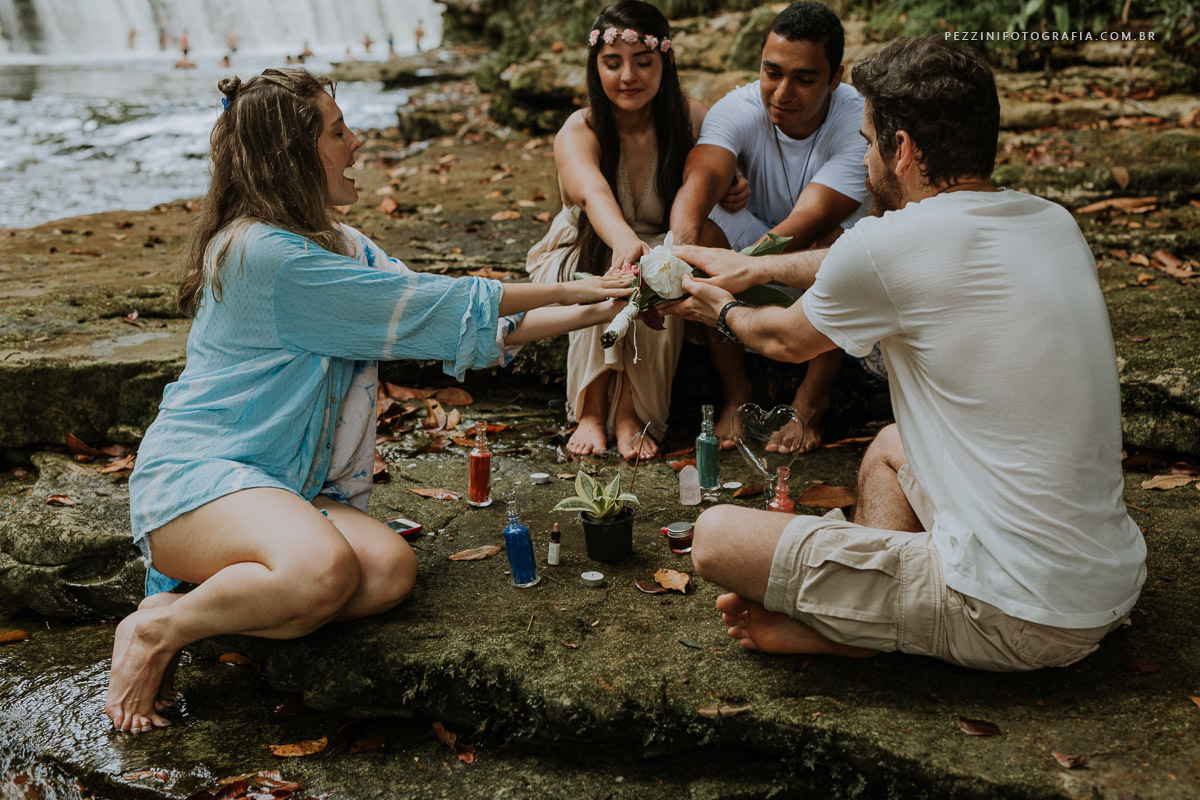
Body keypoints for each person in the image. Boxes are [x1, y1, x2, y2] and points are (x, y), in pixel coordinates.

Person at [105, 68, 632, 734]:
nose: (356, 142)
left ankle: (220, 596)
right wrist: (570, 289)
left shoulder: (339, 244)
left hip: (281, 484)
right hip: (196, 481)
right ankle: (159, 627)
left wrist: (603, 306)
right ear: (294, 156)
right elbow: (441, 301)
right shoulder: (261, 255)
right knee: (323, 570)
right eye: (338, 130)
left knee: (386, 571)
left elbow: (462, 324)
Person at [665, 38, 1145, 671]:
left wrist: (715, 308)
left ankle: (854, 630)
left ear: (904, 149)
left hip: (1017, 614)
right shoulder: (1049, 219)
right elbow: (868, 263)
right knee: (892, 444)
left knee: (717, 537)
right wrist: (751, 265)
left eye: (868, 141)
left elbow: (782, 338)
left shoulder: (894, 244)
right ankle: (864, 615)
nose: (864, 159)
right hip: (1105, 583)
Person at [526, 0, 746, 461]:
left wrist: (733, 184)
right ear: (595, 67)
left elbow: (715, 170)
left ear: (664, 60)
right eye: (612, 63)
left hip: (665, 245)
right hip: (583, 244)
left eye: (643, 62)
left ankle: (631, 412)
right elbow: (593, 195)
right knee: (610, 276)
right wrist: (624, 240)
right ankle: (590, 407)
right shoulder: (579, 128)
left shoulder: (692, 119)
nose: (628, 76)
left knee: (659, 272)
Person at [670, 1, 871, 453]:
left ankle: (811, 401)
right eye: (772, 72)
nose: (782, 92)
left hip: (815, 249)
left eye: (804, 79)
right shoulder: (735, 107)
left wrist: (742, 270)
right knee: (701, 235)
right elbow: (699, 181)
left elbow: (808, 221)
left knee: (835, 242)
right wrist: (678, 256)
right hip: (756, 243)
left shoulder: (857, 120)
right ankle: (737, 391)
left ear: (835, 77)